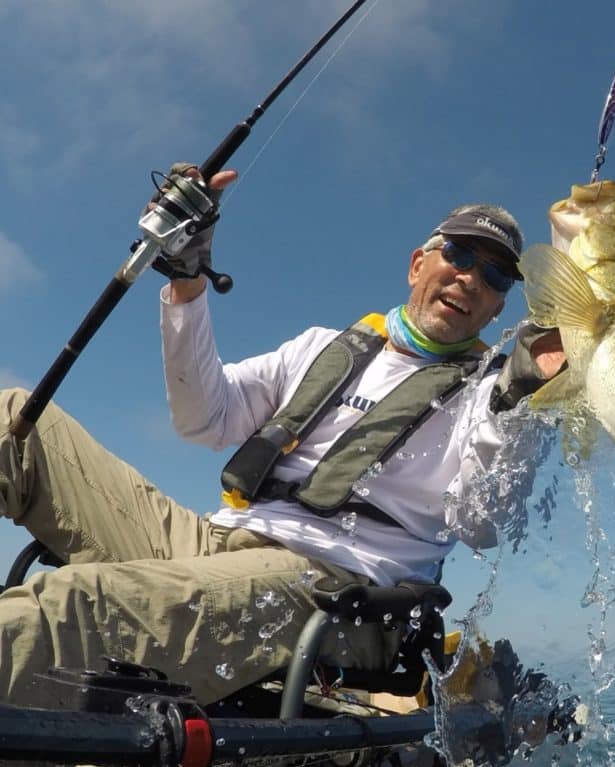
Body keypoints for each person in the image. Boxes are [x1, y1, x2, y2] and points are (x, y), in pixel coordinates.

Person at [0, 165, 564, 721]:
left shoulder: (498, 394)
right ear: (418, 264)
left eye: (496, 277)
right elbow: (203, 418)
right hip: (213, 542)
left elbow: (485, 525)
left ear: (499, 306)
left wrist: (513, 403)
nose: (472, 278)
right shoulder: (319, 345)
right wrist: (188, 283)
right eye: (460, 255)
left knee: (76, 605)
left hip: (333, 590)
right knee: (14, 418)